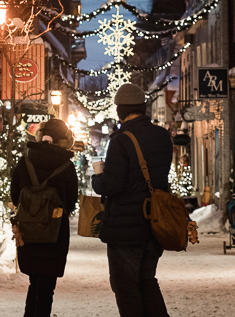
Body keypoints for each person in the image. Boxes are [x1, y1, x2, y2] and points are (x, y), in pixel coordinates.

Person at [92, 83, 174, 317]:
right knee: (147, 280)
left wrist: (98, 178)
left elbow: (113, 185)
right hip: (155, 222)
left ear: (120, 110)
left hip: (126, 228)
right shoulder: (161, 136)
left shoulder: (121, 140)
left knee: (126, 286)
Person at [10, 118, 79, 317]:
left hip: (29, 230)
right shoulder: (66, 166)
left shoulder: (26, 161)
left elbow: (16, 195)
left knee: (34, 281)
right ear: (64, 140)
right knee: (47, 286)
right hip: (54, 232)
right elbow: (71, 202)